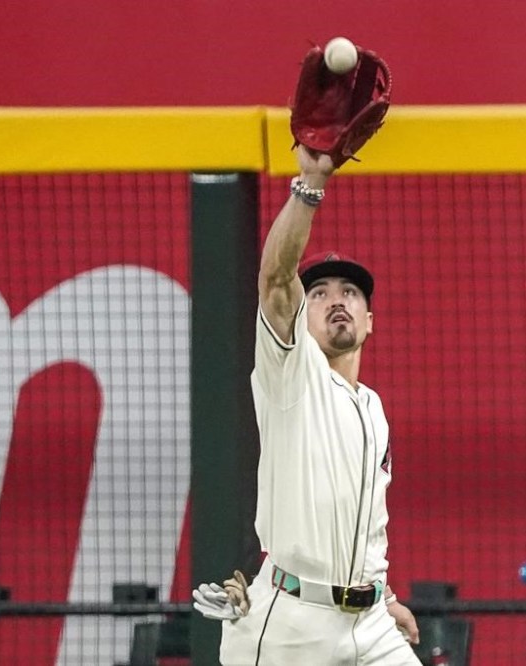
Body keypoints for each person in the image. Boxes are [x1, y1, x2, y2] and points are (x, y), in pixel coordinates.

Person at [193, 145, 421, 665]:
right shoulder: (291, 371)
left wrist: (383, 597)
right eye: (318, 293)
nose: (337, 299)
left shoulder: (373, 408)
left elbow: (366, 527)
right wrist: (310, 183)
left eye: (351, 293)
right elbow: (275, 279)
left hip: (369, 624)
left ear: (369, 321)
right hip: (293, 625)